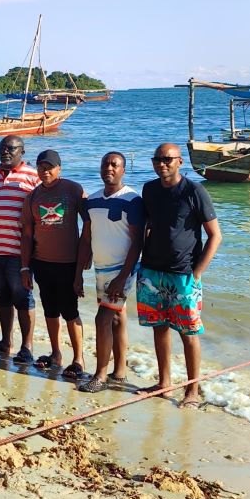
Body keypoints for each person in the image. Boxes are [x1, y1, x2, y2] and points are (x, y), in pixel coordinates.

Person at [136, 143, 221, 408]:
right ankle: (164, 384)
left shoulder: (195, 191)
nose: (162, 163)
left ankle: (192, 390)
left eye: (168, 159)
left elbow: (215, 236)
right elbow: (146, 228)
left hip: (183, 274)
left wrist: (197, 273)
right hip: (151, 270)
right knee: (159, 328)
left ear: (180, 162)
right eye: (158, 159)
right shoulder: (149, 190)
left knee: (188, 332)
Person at [77, 152, 144, 393]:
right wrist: (78, 274)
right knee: (116, 318)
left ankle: (100, 376)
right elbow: (86, 239)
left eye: (114, 165)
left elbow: (137, 243)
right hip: (101, 268)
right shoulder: (91, 201)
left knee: (102, 318)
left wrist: (123, 276)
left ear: (123, 170)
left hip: (122, 269)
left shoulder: (132, 200)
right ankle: (120, 372)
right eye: (105, 164)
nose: (109, 168)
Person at [20, 149, 89, 378]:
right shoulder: (32, 196)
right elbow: (28, 234)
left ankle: (78, 359)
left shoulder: (73, 190)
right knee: (50, 310)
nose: (45, 171)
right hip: (42, 263)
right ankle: (56, 354)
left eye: (49, 167)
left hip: (68, 263)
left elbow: (89, 225)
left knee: (70, 311)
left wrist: (84, 259)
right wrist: (25, 266)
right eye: (41, 167)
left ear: (59, 168)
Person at [0, 136, 40, 364]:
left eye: (11, 148)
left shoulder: (33, 177)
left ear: (22, 152)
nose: (6, 151)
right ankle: (6, 342)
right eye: (2, 148)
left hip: (19, 253)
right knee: (2, 297)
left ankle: (27, 347)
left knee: (23, 298)